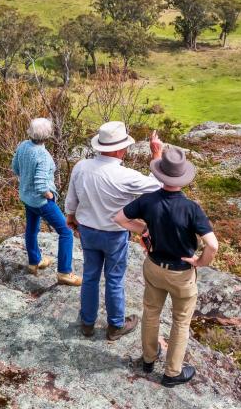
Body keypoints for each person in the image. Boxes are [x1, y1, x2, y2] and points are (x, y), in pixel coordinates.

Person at [114, 142, 218, 387]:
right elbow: (212, 245)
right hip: (182, 273)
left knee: (151, 312)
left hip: (154, 266)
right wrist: (199, 262)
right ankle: (172, 373)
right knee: (181, 322)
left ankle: (149, 359)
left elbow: (119, 218)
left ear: (161, 173)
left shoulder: (148, 201)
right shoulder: (192, 209)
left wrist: (144, 228)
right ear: (183, 177)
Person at [65, 121, 162, 340]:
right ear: (119, 149)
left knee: (90, 276)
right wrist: (156, 154)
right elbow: (157, 185)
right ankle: (115, 325)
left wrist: (70, 217)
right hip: (115, 233)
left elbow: (72, 197)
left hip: (88, 230)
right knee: (114, 279)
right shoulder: (125, 175)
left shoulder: (82, 166)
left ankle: (87, 323)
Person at [12, 118, 81, 286]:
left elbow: (15, 168)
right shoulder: (43, 155)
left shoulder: (22, 146)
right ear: (48, 135)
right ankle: (65, 272)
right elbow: (41, 184)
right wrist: (49, 195)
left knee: (32, 229)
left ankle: (34, 261)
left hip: (27, 198)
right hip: (41, 201)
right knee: (66, 232)